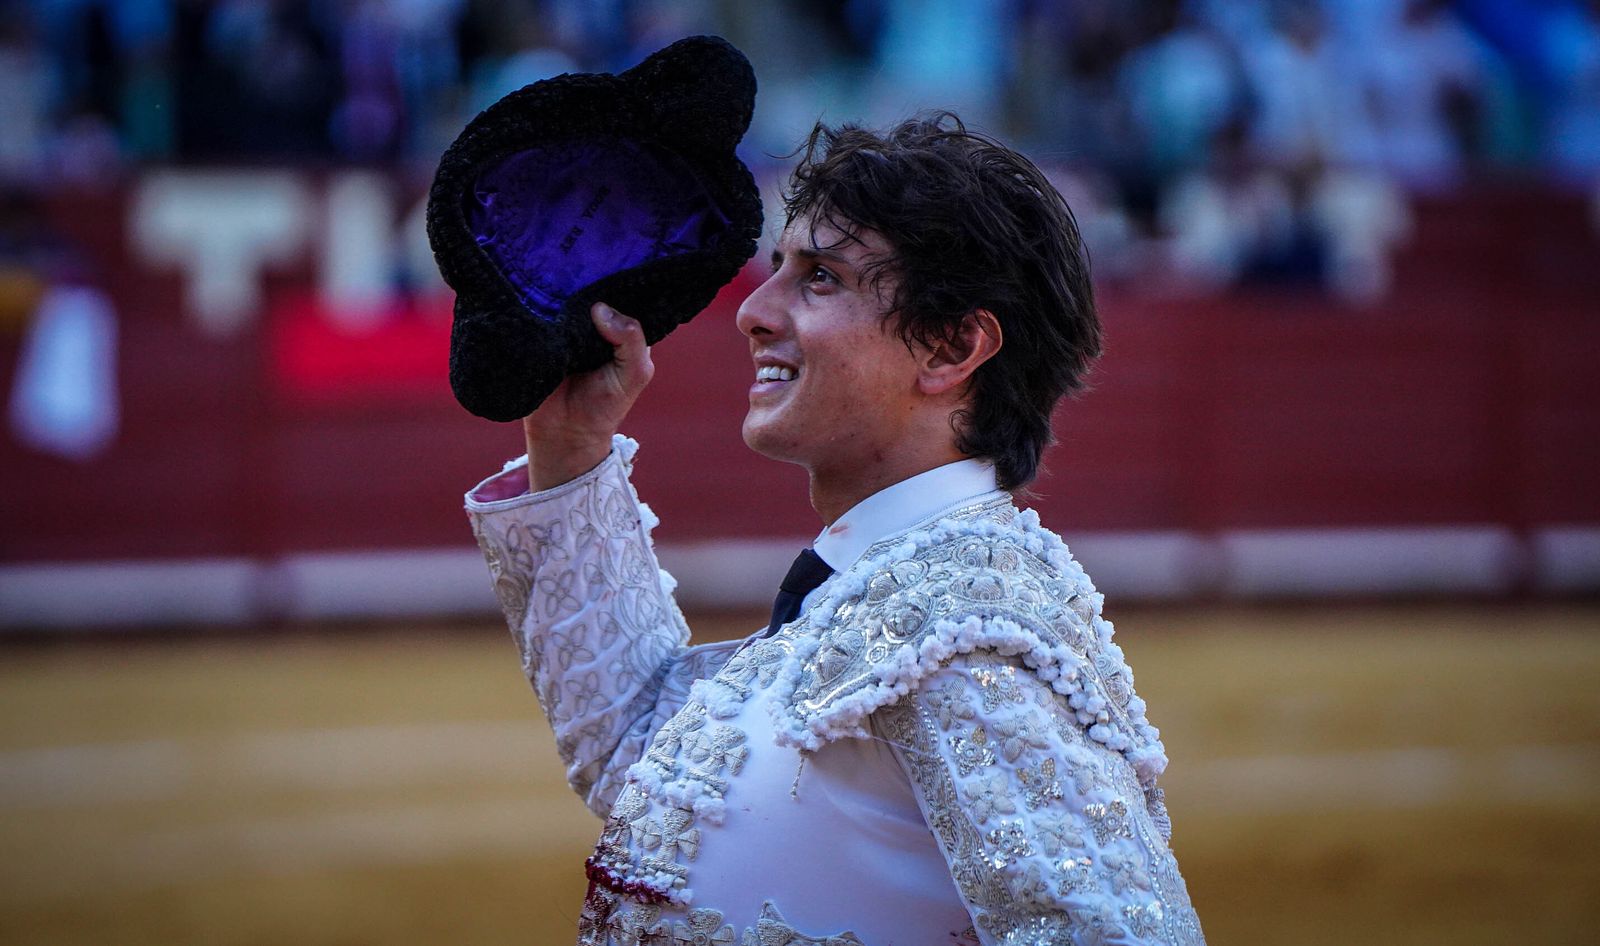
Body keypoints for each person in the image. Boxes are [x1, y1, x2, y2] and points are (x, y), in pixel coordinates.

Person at [465, 113, 1205, 945]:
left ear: (950, 346)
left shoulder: (975, 632)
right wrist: (569, 445)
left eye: (820, 277)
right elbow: (650, 750)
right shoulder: (881, 590)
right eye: (780, 267)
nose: (753, 310)